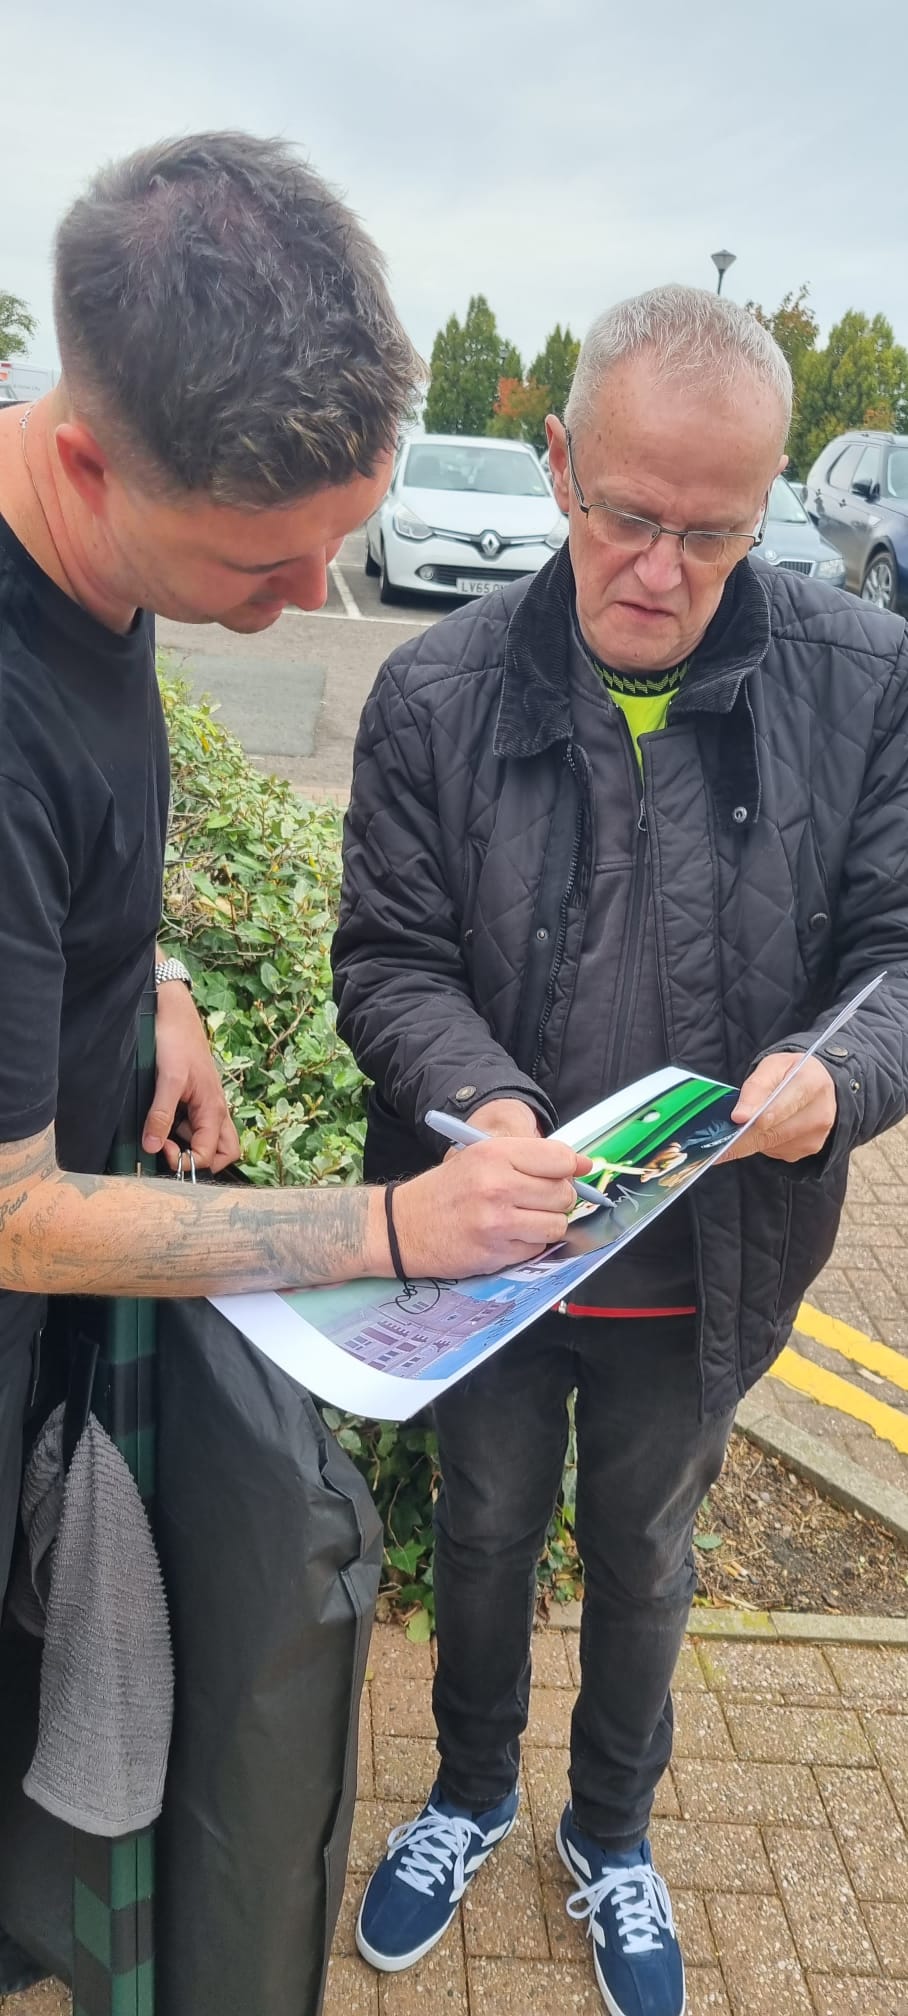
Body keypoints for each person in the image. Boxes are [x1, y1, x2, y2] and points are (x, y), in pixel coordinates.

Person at [333, 284, 908, 2014]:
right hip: (500, 1253)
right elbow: (388, 959)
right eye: (629, 516)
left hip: (712, 1254)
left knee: (650, 1550)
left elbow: (896, 949)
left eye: (715, 534)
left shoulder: (863, 678)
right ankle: (471, 1793)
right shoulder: (432, 691)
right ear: (564, 464)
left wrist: (838, 1070)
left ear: (779, 503)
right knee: (494, 1528)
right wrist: (487, 1106)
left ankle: (615, 1831)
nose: (662, 568)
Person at [0, 131, 590, 1623]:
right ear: (89, 458)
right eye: (258, 568)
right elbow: (12, 1216)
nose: (308, 599)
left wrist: (153, 976)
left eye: (336, 543)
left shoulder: (92, 540)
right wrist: (393, 1230)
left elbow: (85, 817)